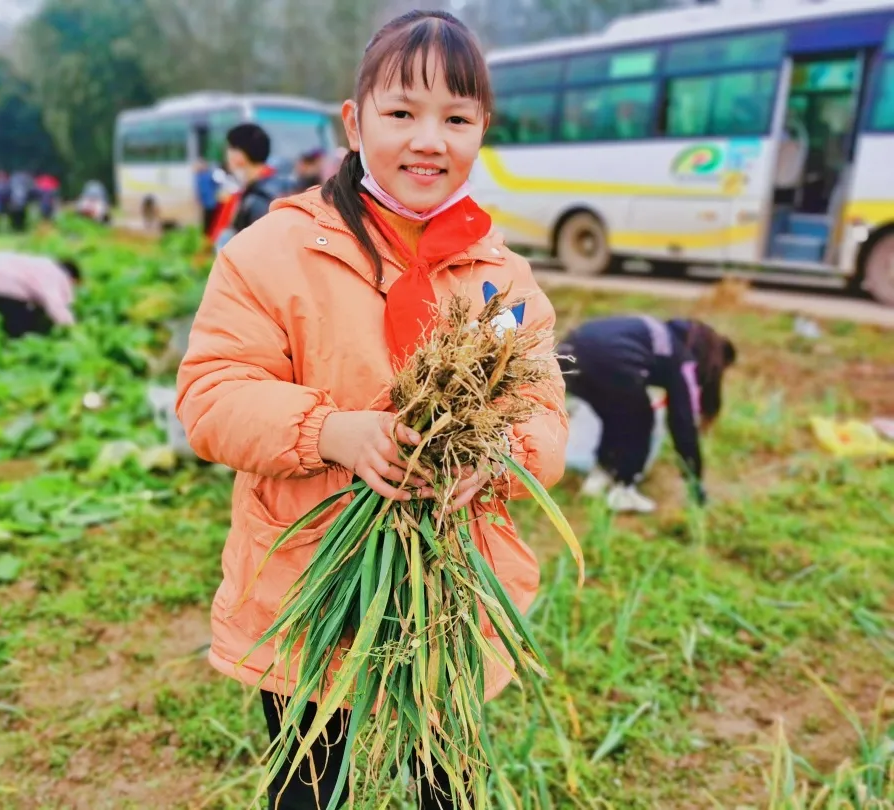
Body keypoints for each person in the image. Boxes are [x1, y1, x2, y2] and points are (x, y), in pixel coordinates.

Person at [175, 11, 566, 809]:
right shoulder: (272, 253)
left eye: (456, 119)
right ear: (354, 124)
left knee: (448, 778)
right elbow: (211, 395)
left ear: (482, 131)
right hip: (309, 581)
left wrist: (495, 457)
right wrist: (334, 433)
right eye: (402, 112)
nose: (429, 140)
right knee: (310, 781)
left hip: (448, 591)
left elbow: (542, 415)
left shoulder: (504, 281)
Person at [558, 316, 737, 513]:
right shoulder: (684, 359)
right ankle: (623, 488)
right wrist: (695, 481)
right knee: (640, 418)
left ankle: (600, 477)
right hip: (611, 361)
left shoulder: (662, 337)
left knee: (615, 415)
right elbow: (682, 423)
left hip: (567, 355)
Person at [0, 252, 81, 338]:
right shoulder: (54, 274)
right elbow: (55, 305)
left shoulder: (42, 265)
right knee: (19, 316)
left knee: (18, 311)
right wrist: (73, 329)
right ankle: (13, 344)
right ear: (71, 278)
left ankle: (6, 338)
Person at [224, 122, 286, 236]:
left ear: (239, 154)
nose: (226, 156)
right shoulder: (275, 187)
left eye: (229, 149)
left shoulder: (258, 198)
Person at [193, 157, 221, 236]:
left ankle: (211, 234)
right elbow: (198, 190)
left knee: (211, 220)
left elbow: (217, 185)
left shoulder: (209, 175)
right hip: (205, 202)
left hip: (211, 202)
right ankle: (207, 235)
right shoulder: (198, 176)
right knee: (206, 220)